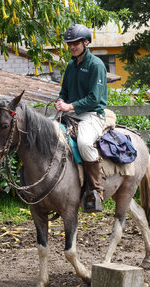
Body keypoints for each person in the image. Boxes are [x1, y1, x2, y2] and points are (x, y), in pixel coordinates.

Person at [55, 24, 108, 212]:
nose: (72, 46)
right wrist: (61, 101)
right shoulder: (70, 66)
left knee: (85, 143)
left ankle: (95, 191)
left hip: (92, 114)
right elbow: (65, 92)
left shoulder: (96, 65)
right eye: (70, 43)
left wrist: (70, 106)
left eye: (76, 43)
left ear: (86, 42)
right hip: (71, 114)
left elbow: (94, 98)